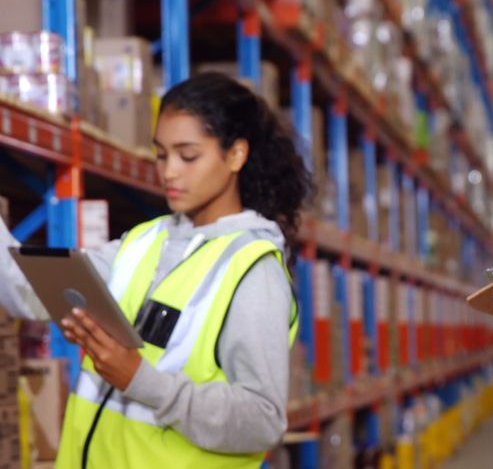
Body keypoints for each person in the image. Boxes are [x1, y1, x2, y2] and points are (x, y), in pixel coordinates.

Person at [0, 72, 311, 468]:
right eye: (162, 155)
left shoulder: (252, 270)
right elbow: (22, 289)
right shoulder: (145, 243)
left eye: (188, 155)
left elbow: (262, 420)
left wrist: (140, 379)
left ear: (235, 155)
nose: (169, 173)